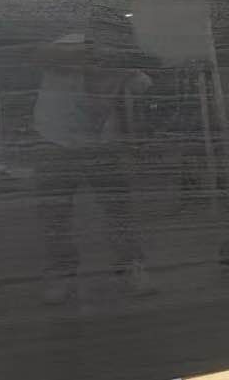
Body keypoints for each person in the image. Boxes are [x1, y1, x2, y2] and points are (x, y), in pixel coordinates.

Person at [33, 24, 154, 305]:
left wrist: (133, 144)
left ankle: (131, 267)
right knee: (55, 215)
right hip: (54, 140)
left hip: (101, 143)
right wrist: (87, 55)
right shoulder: (69, 44)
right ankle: (62, 275)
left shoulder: (128, 68)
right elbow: (39, 55)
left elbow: (137, 98)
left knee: (118, 210)